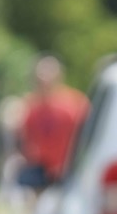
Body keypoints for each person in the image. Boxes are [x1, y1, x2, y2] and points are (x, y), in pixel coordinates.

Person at [18, 55, 88, 188]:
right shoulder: (32, 106)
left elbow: (86, 135)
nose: (45, 79)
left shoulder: (75, 103)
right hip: (42, 172)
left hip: (71, 168)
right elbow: (27, 141)